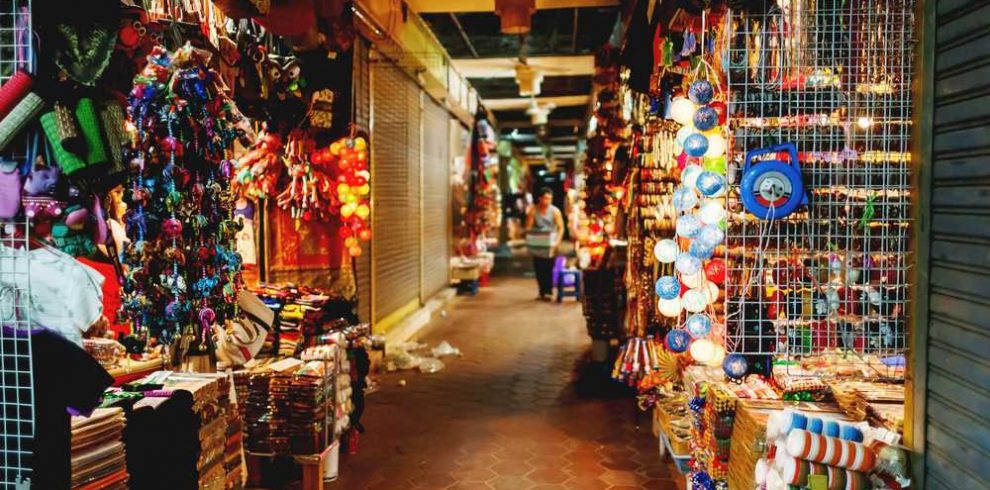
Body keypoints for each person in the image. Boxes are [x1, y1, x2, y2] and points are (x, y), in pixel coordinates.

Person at [525, 187, 565, 300]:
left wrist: (557, 242)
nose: (548, 201)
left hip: (550, 244)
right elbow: (528, 226)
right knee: (538, 267)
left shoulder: (555, 211)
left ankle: (549, 291)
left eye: (550, 199)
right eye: (546, 198)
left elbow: (561, 228)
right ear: (540, 199)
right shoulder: (533, 210)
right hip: (538, 243)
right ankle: (542, 291)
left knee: (549, 267)